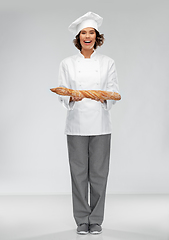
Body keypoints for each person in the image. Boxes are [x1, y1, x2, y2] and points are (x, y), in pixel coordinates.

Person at [57, 12, 120, 235]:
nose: (87, 36)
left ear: (97, 36)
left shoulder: (107, 63)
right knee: (78, 174)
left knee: (99, 174)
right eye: (83, 32)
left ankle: (97, 218)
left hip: (102, 124)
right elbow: (62, 91)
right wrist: (70, 97)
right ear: (78, 37)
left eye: (91, 32)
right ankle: (82, 219)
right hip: (75, 125)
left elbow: (114, 91)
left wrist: (103, 96)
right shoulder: (67, 63)